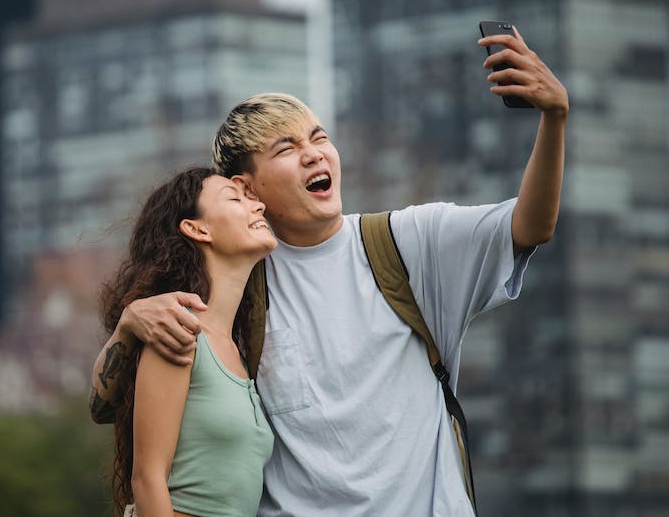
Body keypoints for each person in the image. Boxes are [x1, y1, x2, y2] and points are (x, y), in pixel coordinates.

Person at [90, 28, 568, 515]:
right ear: (245, 188)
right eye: (286, 149)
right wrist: (131, 323)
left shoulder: (407, 245)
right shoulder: (238, 289)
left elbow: (530, 225)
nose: (315, 153)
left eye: (320, 138)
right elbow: (109, 407)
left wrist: (553, 118)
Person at [97, 167, 277, 516]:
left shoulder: (238, 350)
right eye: (234, 199)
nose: (259, 208)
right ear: (197, 228)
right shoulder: (179, 333)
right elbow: (148, 480)